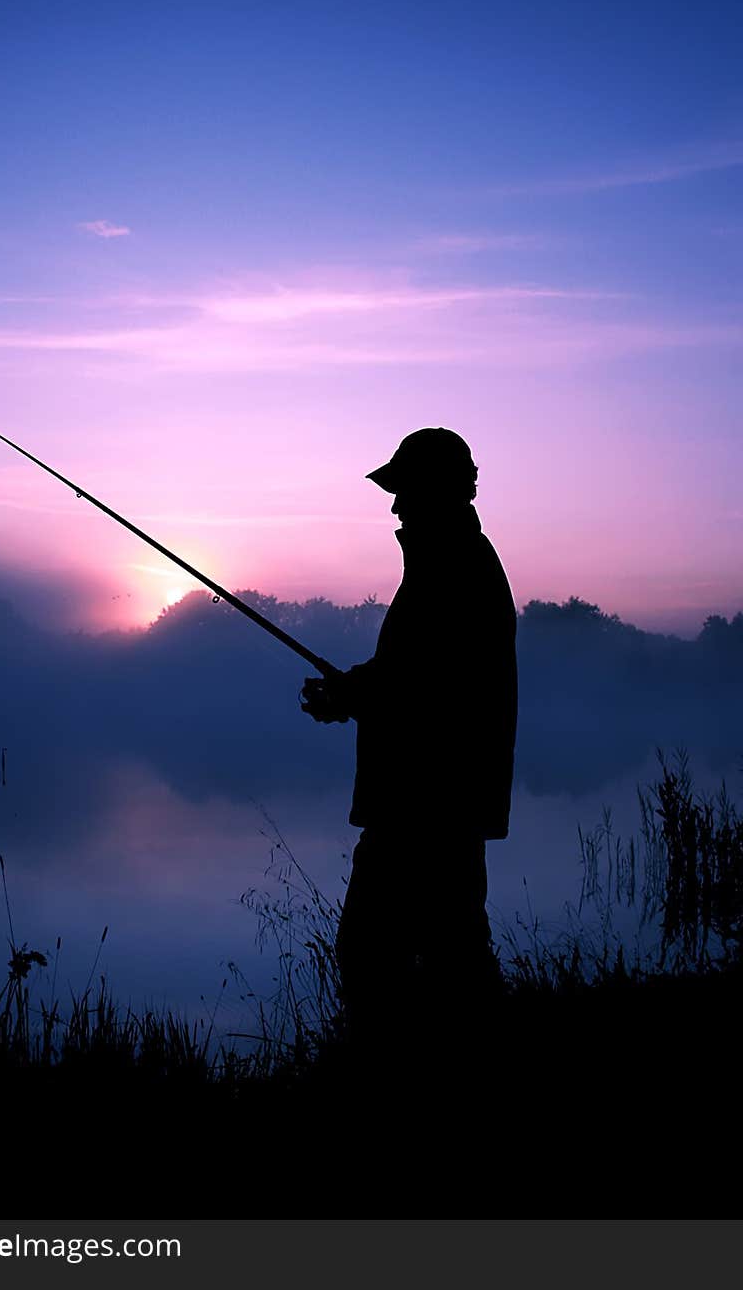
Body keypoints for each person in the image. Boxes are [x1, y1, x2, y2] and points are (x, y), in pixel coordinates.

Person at [301, 427, 517, 1046]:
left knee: (377, 954)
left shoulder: (453, 568)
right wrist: (352, 693)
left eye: (404, 491)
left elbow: (433, 685)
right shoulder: (448, 563)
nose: (395, 506)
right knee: (451, 956)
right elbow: (410, 673)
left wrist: (354, 696)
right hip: (437, 802)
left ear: (439, 492)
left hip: (428, 804)